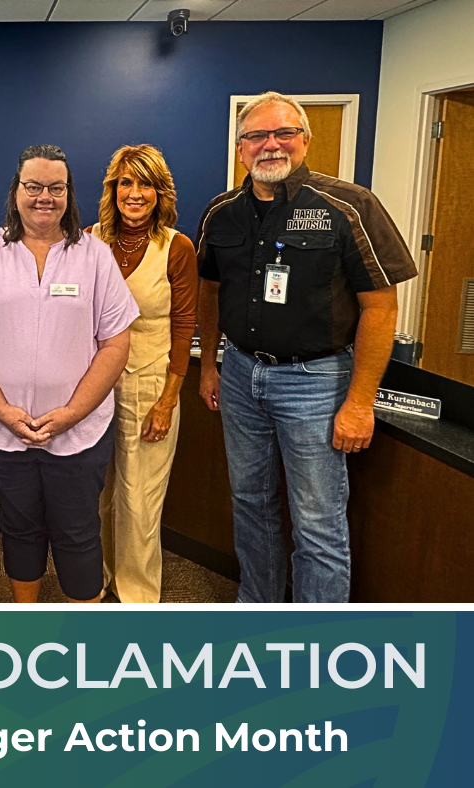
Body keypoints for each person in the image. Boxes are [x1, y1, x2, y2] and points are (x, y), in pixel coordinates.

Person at [196, 91, 418, 603]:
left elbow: (381, 308)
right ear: (240, 148)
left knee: (317, 520)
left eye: (283, 134)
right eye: (256, 136)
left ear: (305, 140)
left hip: (316, 383)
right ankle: (260, 611)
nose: (269, 145)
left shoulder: (349, 206)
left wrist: (360, 402)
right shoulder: (221, 212)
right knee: (251, 504)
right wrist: (210, 366)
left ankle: (317, 641)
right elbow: (210, 292)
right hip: (241, 375)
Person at [0, 144, 140, 603]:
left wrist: (72, 412)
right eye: (33, 186)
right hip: (0, 427)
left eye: (56, 187)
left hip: (80, 431)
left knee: (77, 530)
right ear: (16, 191)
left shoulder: (94, 256)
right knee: (19, 525)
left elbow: (116, 344)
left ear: (69, 194)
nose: (44, 197)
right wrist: (2, 411)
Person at [88, 144, 198, 603]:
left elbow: (184, 325)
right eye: (126, 183)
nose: (135, 194)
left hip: (150, 383)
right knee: (97, 494)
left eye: (145, 184)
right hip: (92, 386)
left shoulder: (176, 247)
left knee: (139, 499)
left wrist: (168, 400)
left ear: (160, 192)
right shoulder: (89, 240)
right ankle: (97, 581)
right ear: (113, 190)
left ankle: (136, 598)